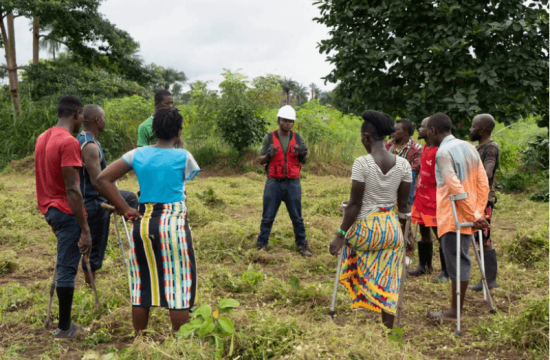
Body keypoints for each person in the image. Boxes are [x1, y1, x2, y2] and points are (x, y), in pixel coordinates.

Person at [96, 107, 200, 335]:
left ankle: (140, 340)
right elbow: (185, 179)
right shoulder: (184, 156)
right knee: (178, 285)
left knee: (141, 283)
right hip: (174, 225)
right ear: (179, 132)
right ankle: (180, 344)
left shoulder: (136, 154)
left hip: (143, 223)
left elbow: (103, 179)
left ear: (153, 130)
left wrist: (125, 209)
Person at [329, 110, 412, 329]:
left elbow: (354, 205)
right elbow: (404, 207)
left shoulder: (362, 163)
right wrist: (406, 236)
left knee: (349, 249)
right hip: (392, 231)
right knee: (390, 276)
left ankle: (362, 293)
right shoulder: (404, 165)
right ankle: (388, 327)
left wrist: (340, 236)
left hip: (365, 232)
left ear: (366, 137)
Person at [35, 96, 91, 339]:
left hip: (49, 210)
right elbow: (72, 189)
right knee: (67, 268)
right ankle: (65, 329)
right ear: (77, 114)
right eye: (82, 118)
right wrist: (85, 229)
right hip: (66, 213)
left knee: (63, 263)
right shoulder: (69, 143)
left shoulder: (42, 138)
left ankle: (64, 325)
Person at [426, 113, 489, 322]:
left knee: (456, 262)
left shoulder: (443, 152)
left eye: (427, 131)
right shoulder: (469, 147)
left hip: (452, 216)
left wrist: (473, 214)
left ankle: (455, 312)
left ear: (433, 130)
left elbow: (454, 187)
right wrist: (478, 213)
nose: (426, 135)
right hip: (469, 214)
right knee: (460, 258)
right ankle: (455, 309)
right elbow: (483, 183)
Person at [77, 105, 139, 285]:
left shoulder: (85, 140)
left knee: (131, 197)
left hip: (95, 196)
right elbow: (97, 182)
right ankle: (91, 288)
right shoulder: (89, 146)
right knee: (94, 249)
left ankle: (139, 240)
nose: (105, 121)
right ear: (97, 120)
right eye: (103, 118)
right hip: (94, 201)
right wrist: (121, 206)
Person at [257, 105, 311, 257]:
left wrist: (302, 154)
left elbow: (304, 161)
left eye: (290, 121)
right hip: (273, 182)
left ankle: (302, 245)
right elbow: (260, 160)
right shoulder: (269, 138)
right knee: (268, 216)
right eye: (285, 120)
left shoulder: (298, 138)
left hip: (293, 183)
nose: (287, 123)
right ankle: (262, 245)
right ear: (278, 120)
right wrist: (269, 154)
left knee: (297, 217)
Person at [408, 118, 449, 282]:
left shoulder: (440, 151)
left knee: (440, 235)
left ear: (431, 130)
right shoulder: (425, 147)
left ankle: (446, 271)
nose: (418, 129)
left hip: (435, 199)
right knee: (423, 231)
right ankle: (424, 266)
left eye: (422, 127)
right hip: (422, 197)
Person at [469, 114, 500, 291]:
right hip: (475, 197)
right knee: (479, 237)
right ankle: (486, 278)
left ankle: (490, 280)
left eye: (473, 126)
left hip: (484, 199)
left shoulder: (491, 148)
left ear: (481, 129)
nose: (470, 129)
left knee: (484, 238)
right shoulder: (478, 147)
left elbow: (487, 173)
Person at [385, 119, 422, 205]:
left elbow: (413, 170)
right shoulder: (388, 145)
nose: (392, 132)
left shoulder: (416, 148)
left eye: (396, 130)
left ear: (406, 132)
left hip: (407, 190)